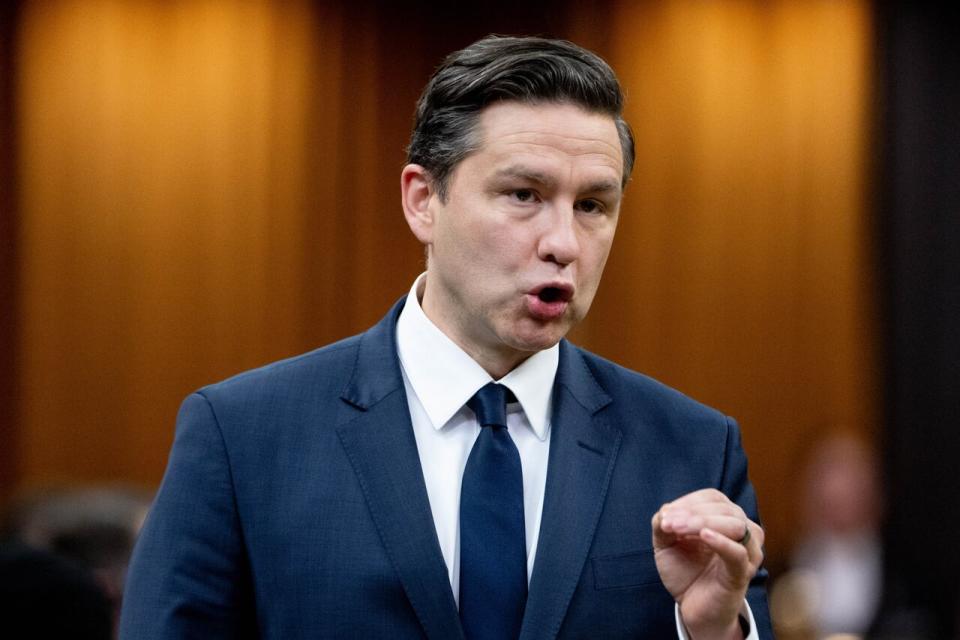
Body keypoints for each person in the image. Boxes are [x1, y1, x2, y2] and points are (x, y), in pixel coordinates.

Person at [120, 35, 772, 639]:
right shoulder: (244, 437)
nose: (564, 244)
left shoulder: (691, 449)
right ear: (423, 200)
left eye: (593, 206)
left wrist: (714, 632)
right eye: (523, 194)